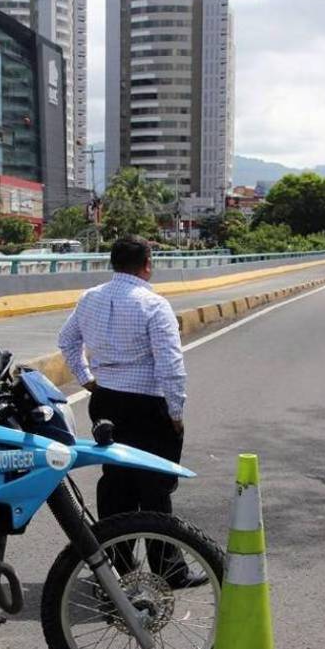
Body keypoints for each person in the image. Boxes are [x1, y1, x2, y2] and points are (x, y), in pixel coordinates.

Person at [57, 236, 202, 585]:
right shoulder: (154, 305)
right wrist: (176, 410)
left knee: (116, 485)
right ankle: (170, 570)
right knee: (155, 489)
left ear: (113, 262)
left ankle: (119, 569)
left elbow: (66, 340)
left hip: (105, 401)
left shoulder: (89, 298)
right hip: (149, 405)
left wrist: (86, 378)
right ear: (147, 263)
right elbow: (170, 363)